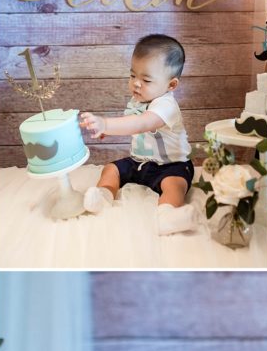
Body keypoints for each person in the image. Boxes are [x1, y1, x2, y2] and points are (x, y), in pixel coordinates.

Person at [79, 34, 198, 235]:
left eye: (146, 79)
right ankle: (104, 195)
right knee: (111, 169)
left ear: (171, 85)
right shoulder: (139, 101)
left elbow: (142, 123)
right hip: (140, 162)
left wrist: (106, 124)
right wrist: (105, 131)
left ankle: (167, 216)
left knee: (174, 184)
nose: (136, 84)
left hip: (171, 165)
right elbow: (130, 124)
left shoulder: (166, 105)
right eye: (133, 75)